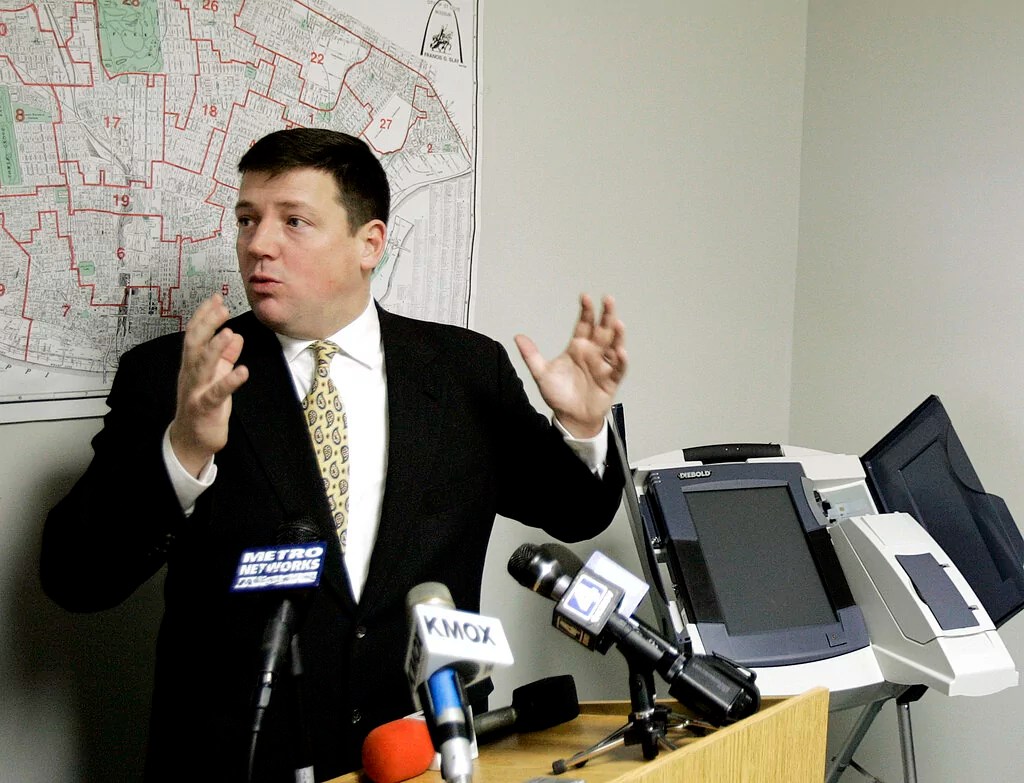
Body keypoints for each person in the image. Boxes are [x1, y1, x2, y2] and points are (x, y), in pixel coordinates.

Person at [40, 128, 627, 782]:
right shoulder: (175, 375)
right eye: (247, 220)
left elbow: (575, 512)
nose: (259, 244)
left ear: (369, 243)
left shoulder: (465, 371)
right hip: (241, 761)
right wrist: (184, 449)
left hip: (422, 753)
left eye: (293, 221)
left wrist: (582, 425)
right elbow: (76, 577)